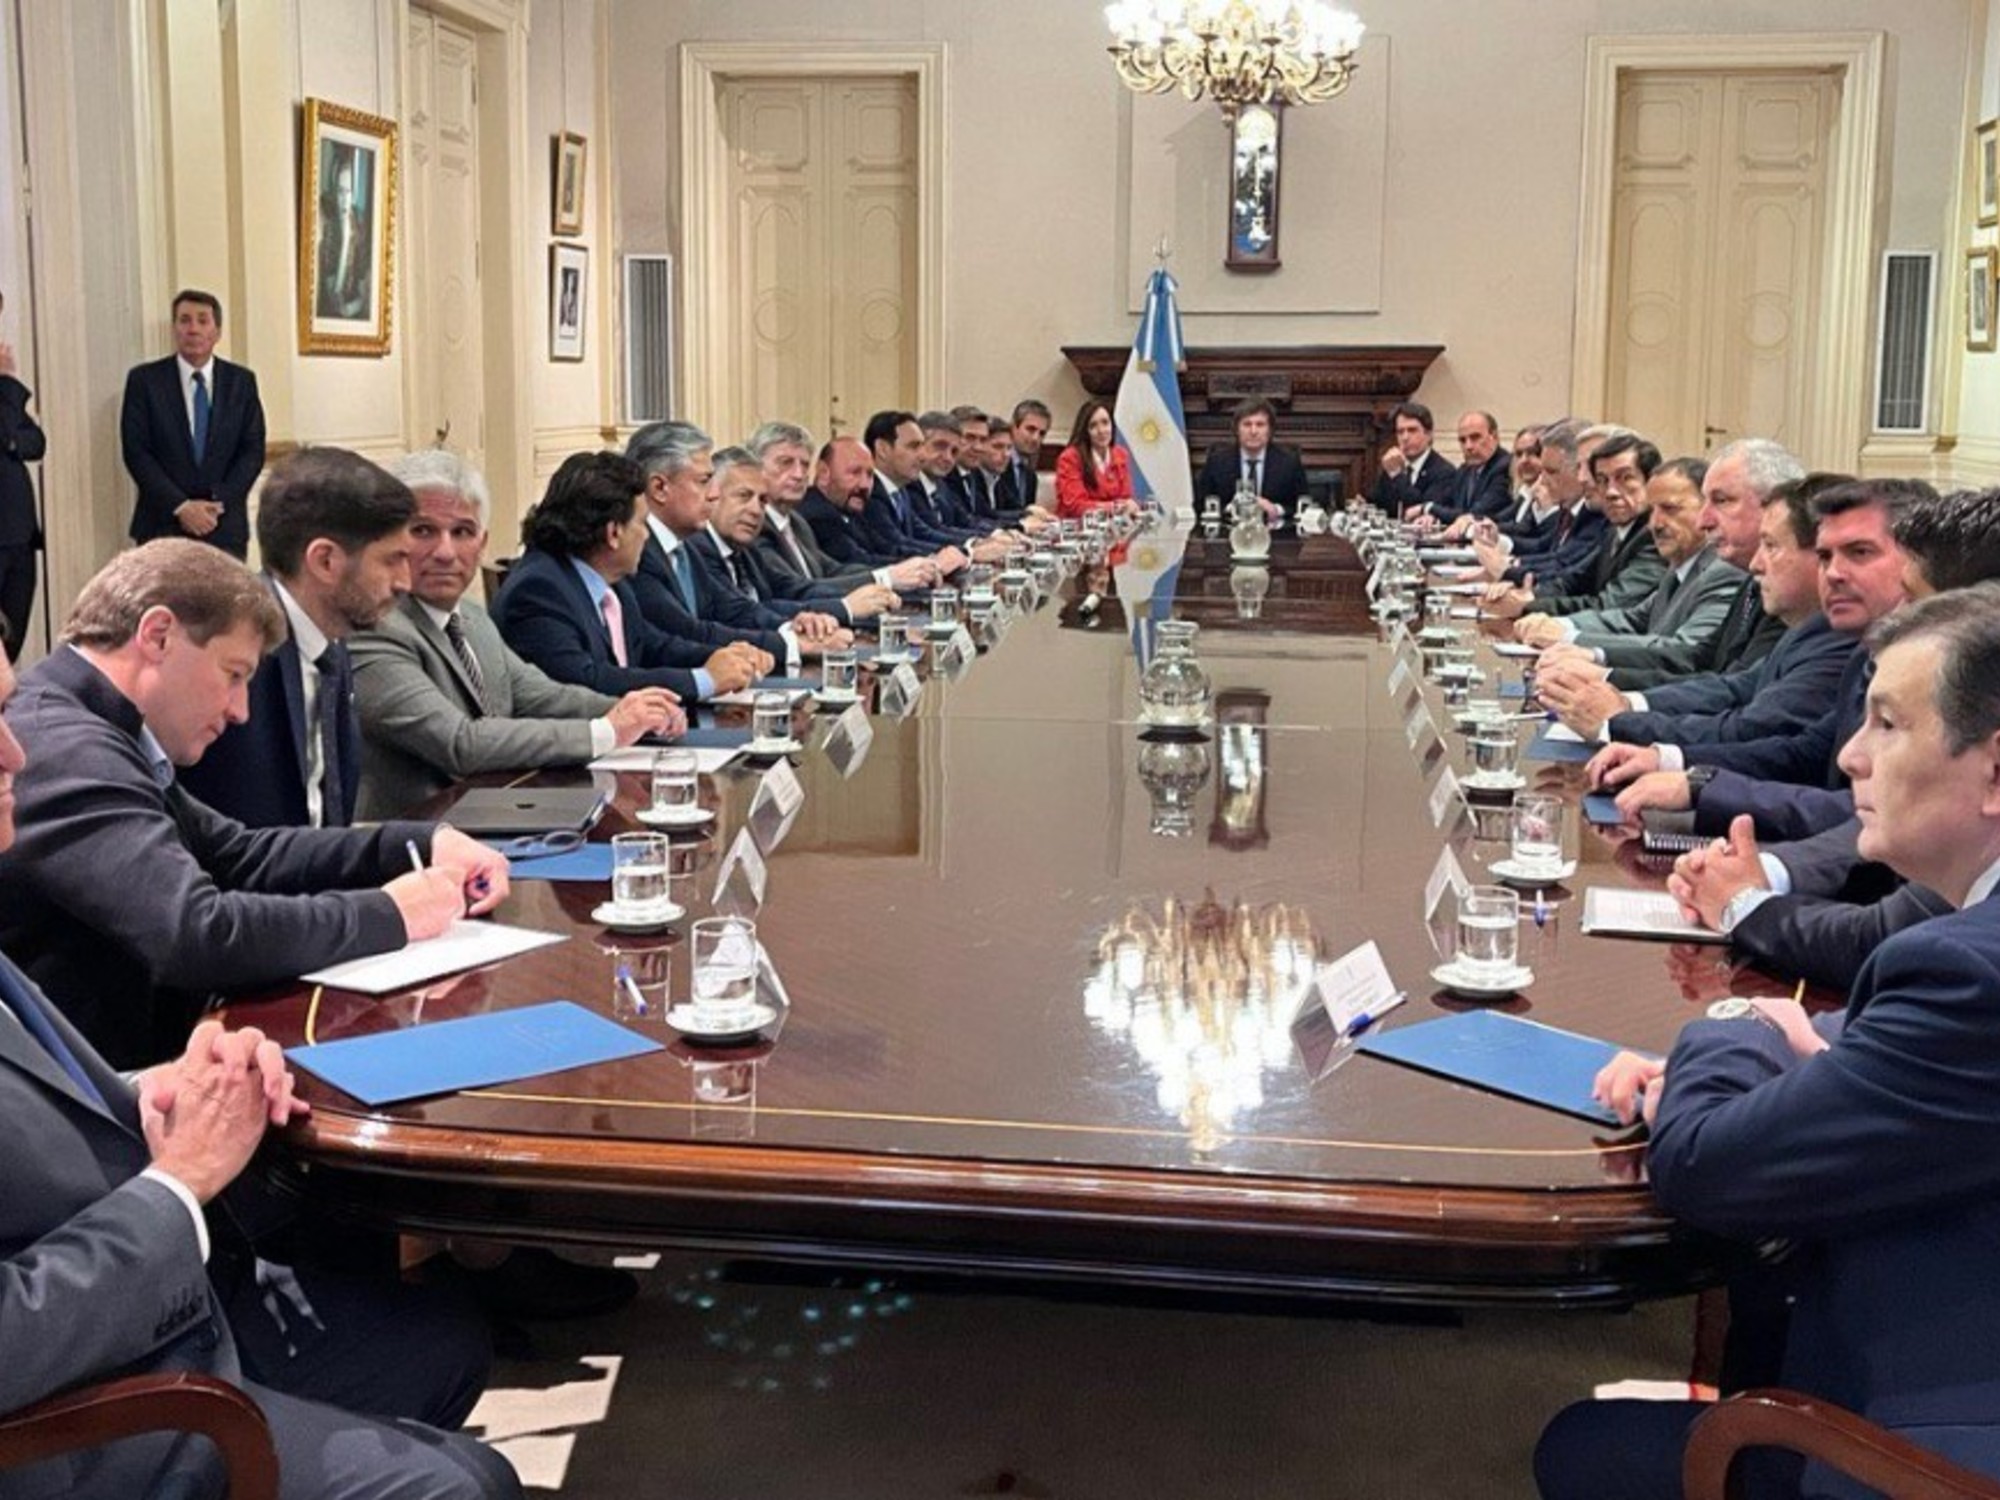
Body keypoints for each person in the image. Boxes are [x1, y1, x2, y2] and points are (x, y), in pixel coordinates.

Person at [0, 650, 519, 1500]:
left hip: (148, 1316)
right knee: (464, 1486)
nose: (18, 751)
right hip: (70, 1425)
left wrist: (154, 1090)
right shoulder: (76, 749)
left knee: (448, 1354)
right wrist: (180, 1182)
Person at [1536, 583, 2000, 1500]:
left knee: (1581, 1447)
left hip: (1937, 1446)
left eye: (1887, 725)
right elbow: (1877, 1048)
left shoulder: (1969, 972)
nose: (1850, 755)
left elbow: (1705, 1165)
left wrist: (1730, 1025)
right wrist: (1800, 1053)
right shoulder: (1964, 944)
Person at [0, 539, 509, 1070]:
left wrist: (418, 842)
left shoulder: (100, 727)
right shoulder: (66, 745)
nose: (240, 709)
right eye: (234, 674)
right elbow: (197, 934)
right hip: (106, 1093)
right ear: (158, 635)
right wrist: (392, 914)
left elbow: (241, 854)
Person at [349, 449, 686, 820]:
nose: (445, 552)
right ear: (390, 541)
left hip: (497, 816)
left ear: (482, 543)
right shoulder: (374, 628)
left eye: (462, 532)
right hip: (415, 836)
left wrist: (639, 711)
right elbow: (460, 743)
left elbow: (541, 696)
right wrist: (607, 731)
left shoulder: (472, 618)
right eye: (423, 531)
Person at [1610, 479, 1930, 842]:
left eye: (1859, 552)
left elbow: (1883, 816)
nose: (1833, 573)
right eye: (1826, 557)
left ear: (1917, 562)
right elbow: (1806, 753)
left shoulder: (1931, 668)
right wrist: (1673, 765)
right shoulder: (1863, 648)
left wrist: (1702, 788)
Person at [177, 447, 414, 829]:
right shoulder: (231, 657)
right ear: (325, 561)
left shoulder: (331, 641)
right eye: (392, 560)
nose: (405, 582)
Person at [1551, 473, 1855, 749]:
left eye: (1722, 501)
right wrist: (1627, 703)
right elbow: (1732, 685)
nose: (1704, 520)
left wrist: (1623, 720)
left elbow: (1756, 729)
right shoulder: (1805, 625)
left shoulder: (1836, 637)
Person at [491, 450, 753, 702]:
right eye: (641, 523)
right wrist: (703, 680)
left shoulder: (611, 581)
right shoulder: (539, 591)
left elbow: (651, 645)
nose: (646, 536)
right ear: (613, 533)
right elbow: (587, 683)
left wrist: (723, 657)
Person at [1512, 460, 1747, 680]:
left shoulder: (1723, 572)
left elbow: (1685, 650)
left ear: (1707, 512)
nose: (1655, 524)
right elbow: (1632, 619)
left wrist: (1571, 638)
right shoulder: (1681, 567)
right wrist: (1561, 625)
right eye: (1652, 510)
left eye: (1670, 509)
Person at [620, 419, 785, 674]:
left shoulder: (687, 546)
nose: (713, 494)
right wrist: (786, 646)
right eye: (704, 481)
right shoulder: (637, 551)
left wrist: (793, 631)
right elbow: (684, 631)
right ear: (659, 488)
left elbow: (731, 609)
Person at [120, 288, 267, 559]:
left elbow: (252, 451)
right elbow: (137, 452)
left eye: (202, 320)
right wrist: (181, 506)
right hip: (161, 525)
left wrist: (216, 504)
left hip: (223, 526)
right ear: (174, 329)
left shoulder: (241, 382)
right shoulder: (145, 381)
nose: (193, 329)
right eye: (184, 320)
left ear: (217, 331)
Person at [1481, 434, 1665, 620]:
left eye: (1625, 478)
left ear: (1652, 482)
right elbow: (1575, 580)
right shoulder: (1615, 530)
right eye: (1602, 480)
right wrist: (1529, 595)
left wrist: (1529, 605)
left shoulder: (1656, 537)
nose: (1611, 492)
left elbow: (1609, 606)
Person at [747, 421, 935, 592]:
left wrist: (900, 572)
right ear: (754, 469)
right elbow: (795, 589)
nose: (799, 474)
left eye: (804, 465)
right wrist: (886, 578)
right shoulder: (756, 526)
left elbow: (832, 570)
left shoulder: (796, 522)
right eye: (785, 463)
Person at [797, 435, 958, 579]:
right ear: (824, 473)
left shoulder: (851, 507)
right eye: (855, 473)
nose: (865, 484)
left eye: (869, 475)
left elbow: (888, 547)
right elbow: (858, 561)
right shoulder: (816, 514)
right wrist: (929, 564)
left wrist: (934, 558)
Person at [0, 300, 46, 654]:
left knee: (10, 643)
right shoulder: (6, 390)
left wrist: (13, 440)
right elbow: (8, 434)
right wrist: (7, 383)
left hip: (18, 533)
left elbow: (35, 443)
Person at [1195, 397, 1310, 523]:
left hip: (1275, 532)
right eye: (1247, 424)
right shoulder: (1217, 462)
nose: (1253, 431)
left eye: (1260, 425)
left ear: (1270, 430)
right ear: (1236, 429)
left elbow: (1303, 505)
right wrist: (1229, 509)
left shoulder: (1289, 463)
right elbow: (1200, 505)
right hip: (1230, 532)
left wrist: (1275, 510)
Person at [1053, 399, 1139, 520]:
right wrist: (1116, 507)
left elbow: (1126, 497)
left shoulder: (1120, 454)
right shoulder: (1070, 458)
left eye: (1105, 423)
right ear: (1085, 431)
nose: (1101, 431)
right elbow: (1075, 506)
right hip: (1077, 527)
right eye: (1093, 426)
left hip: (1115, 526)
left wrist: (1129, 506)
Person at [1370, 400, 1456, 516]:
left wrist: (1398, 475)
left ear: (1429, 435)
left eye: (1412, 430)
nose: (1405, 437)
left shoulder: (1444, 472)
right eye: (1400, 432)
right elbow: (1377, 505)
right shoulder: (1394, 464)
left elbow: (1421, 510)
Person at [314, 150, 372, 322]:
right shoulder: (329, 225)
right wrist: (346, 239)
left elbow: (363, 294)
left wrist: (352, 308)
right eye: (340, 192)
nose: (344, 199)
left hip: (352, 311)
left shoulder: (360, 224)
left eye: (348, 192)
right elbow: (332, 293)